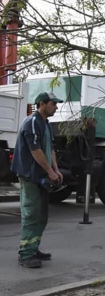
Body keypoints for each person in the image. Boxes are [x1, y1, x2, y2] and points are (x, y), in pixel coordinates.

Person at [10, 91, 64, 268]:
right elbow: (35, 151)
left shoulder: (46, 124)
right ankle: (25, 254)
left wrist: (56, 169)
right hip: (30, 175)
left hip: (41, 175)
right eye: (53, 103)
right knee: (31, 214)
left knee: (41, 215)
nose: (56, 106)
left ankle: (33, 248)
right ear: (41, 104)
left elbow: (51, 149)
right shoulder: (32, 122)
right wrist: (49, 171)